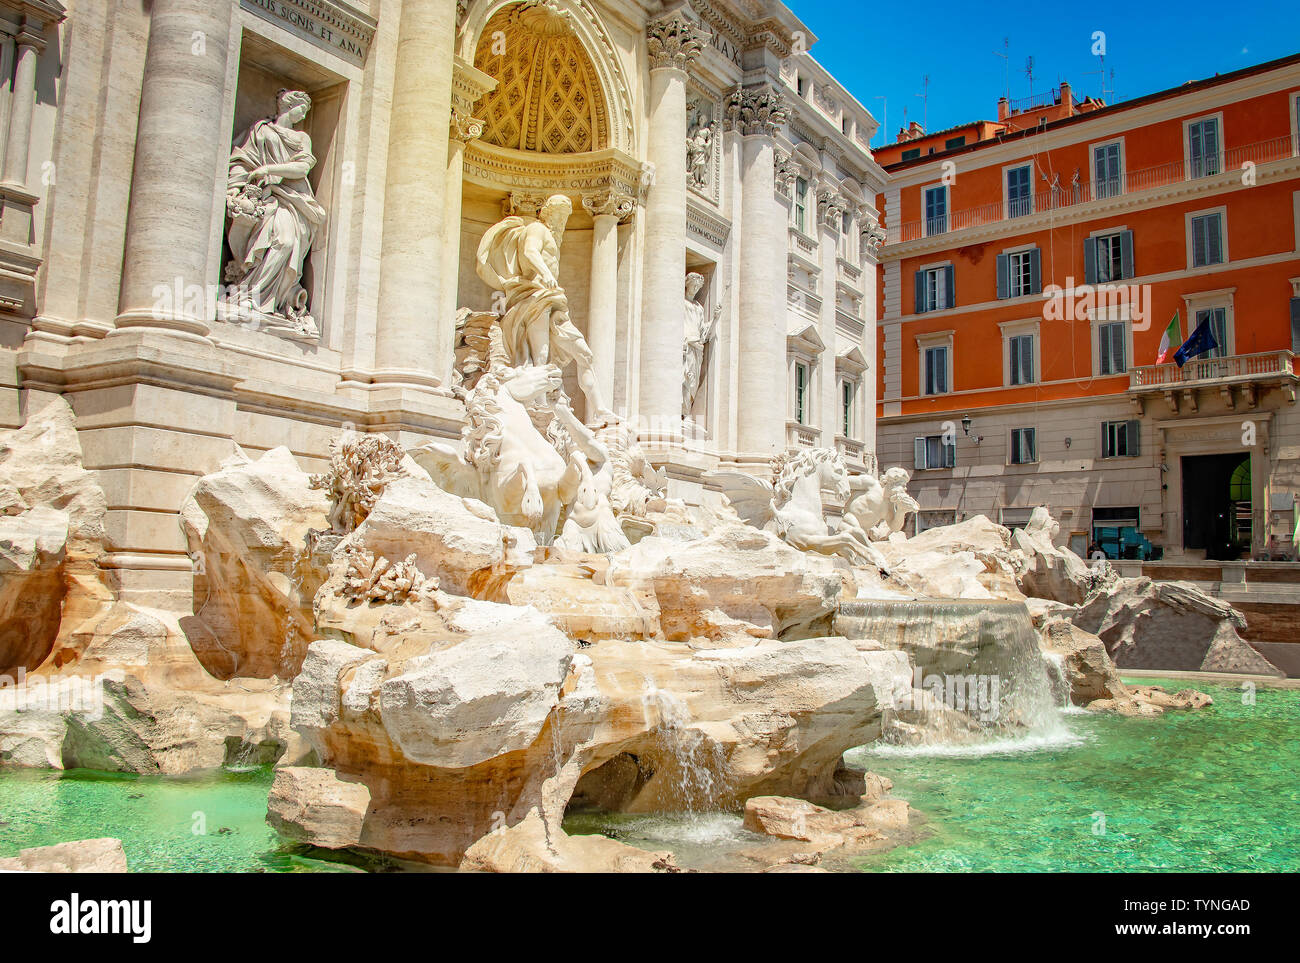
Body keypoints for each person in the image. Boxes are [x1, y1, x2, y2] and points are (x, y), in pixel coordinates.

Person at [476, 195, 615, 426]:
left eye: (566, 216)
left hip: (553, 301)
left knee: (584, 354)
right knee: (540, 355)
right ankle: (539, 410)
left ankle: (599, 410)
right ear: (547, 213)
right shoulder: (537, 229)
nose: (562, 220)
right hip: (536, 296)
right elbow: (530, 252)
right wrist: (547, 274)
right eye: (559, 214)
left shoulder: (553, 236)